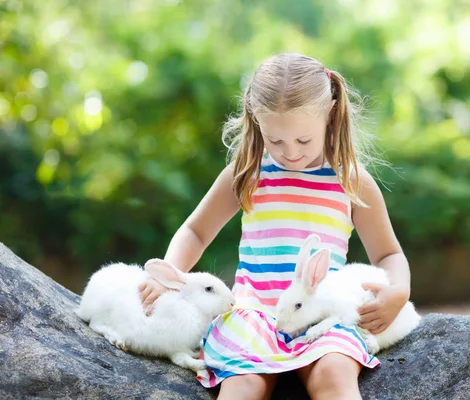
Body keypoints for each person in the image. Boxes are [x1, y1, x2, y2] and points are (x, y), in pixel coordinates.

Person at [138, 53, 411, 400]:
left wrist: (398, 291)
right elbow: (196, 231)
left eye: (303, 140)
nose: (291, 153)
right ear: (256, 121)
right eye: (276, 141)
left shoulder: (351, 181)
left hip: (320, 318)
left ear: (329, 113)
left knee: (334, 374)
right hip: (253, 315)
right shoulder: (248, 173)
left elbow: (388, 253)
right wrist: (169, 274)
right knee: (243, 385)